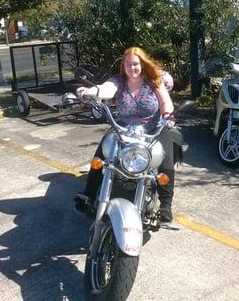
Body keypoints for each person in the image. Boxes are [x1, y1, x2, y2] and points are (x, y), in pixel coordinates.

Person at [75, 47, 176, 223]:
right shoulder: (119, 81)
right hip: (123, 127)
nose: (132, 67)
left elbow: (165, 101)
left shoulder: (154, 81)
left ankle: (166, 206)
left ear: (142, 64)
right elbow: (106, 89)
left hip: (153, 128)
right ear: (123, 65)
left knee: (165, 163)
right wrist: (91, 92)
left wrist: (167, 115)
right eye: (128, 64)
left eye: (135, 63)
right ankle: (89, 195)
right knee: (101, 157)